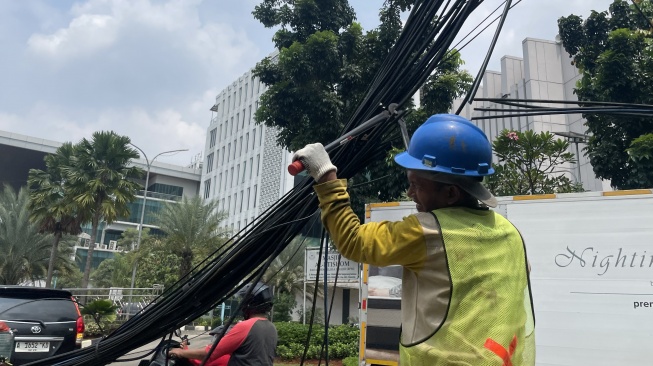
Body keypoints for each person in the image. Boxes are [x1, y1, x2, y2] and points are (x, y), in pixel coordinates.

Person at [293, 114, 535, 366]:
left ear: (451, 193)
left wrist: (325, 174)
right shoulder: (510, 233)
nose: (410, 193)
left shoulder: (427, 232)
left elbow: (353, 241)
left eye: (416, 185)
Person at [169, 282, 278, 366]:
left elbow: (210, 353)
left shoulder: (245, 326)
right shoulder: (271, 328)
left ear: (248, 303)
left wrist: (181, 352)